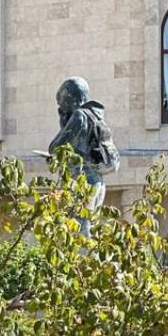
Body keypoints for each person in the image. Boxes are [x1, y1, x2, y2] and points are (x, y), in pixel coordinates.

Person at [48, 76, 119, 232]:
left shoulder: (79, 116)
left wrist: (63, 123)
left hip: (81, 180)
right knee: (88, 225)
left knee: (79, 228)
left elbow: (55, 147)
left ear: (70, 98)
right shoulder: (94, 115)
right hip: (96, 180)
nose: (60, 105)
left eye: (61, 100)